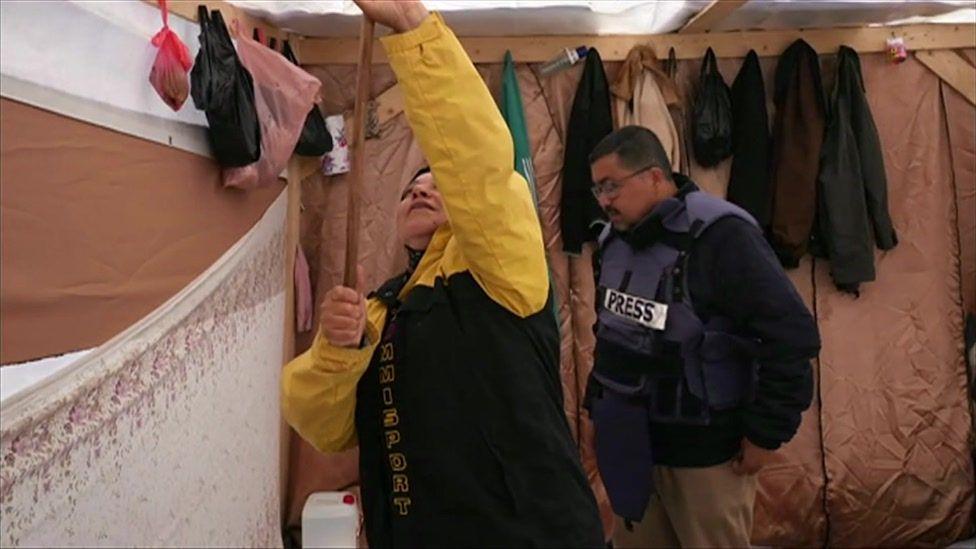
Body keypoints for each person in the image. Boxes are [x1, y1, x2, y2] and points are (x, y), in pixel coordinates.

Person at [281, 1, 605, 546]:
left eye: (435, 185)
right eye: (410, 190)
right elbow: (325, 429)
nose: (421, 190)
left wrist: (411, 25)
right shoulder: (380, 310)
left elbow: (479, 170)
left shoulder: (505, 275)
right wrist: (337, 349)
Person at [584, 125, 820, 548]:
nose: (604, 201)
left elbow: (792, 336)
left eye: (611, 186)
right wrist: (595, 411)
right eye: (597, 190)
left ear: (655, 176)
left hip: (705, 453)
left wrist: (768, 432)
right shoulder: (611, 243)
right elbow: (611, 336)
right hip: (629, 443)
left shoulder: (722, 235)